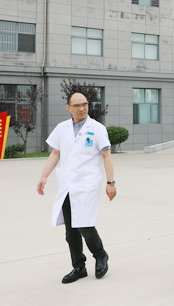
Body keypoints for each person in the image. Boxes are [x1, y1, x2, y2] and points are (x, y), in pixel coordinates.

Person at [36, 92, 115, 284]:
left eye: (85, 104)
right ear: (69, 108)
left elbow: (106, 156)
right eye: (77, 105)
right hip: (67, 184)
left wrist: (110, 183)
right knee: (71, 231)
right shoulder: (61, 128)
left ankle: (100, 255)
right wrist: (44, 176)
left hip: (87, 184)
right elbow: (55, 153)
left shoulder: (97, 128)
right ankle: (79, 267)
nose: (82, 108)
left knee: (84, 224)